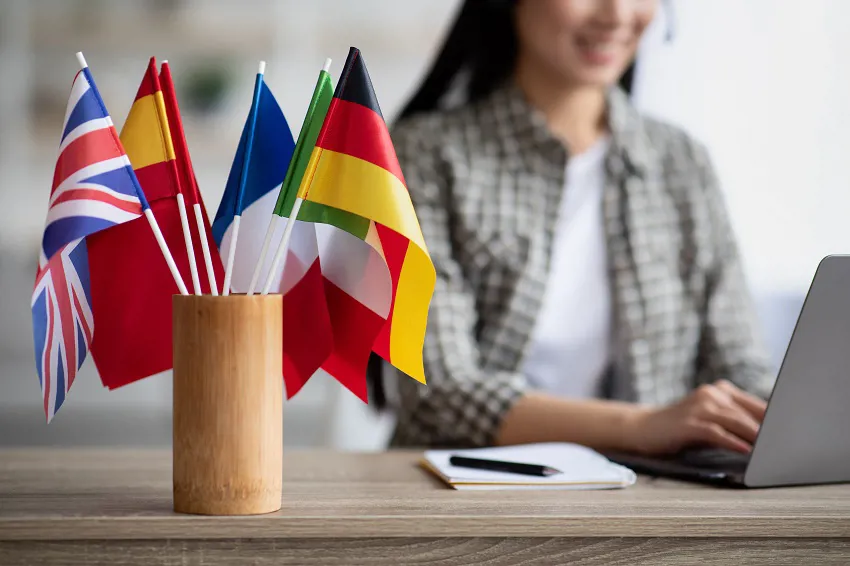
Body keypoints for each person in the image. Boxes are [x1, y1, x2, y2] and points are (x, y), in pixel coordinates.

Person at [379, 0, 775, 455]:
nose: (618, 13)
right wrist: (644, 425)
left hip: (655, 498)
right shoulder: (425, 155)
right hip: (465, 493)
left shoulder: (682, 161)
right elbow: (439, 393)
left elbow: (741, 367)